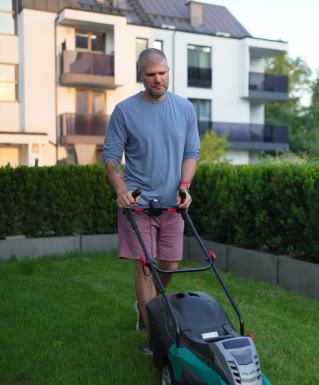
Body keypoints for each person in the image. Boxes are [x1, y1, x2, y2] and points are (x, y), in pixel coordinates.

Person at [103, 48, 200, 355]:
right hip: (138, 204)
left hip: (172, 203)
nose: (159, 79)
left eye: (163, 73)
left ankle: (148, 307)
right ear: (140, 76)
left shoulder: (185, 108)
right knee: (146, 267)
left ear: (169, 71)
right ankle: (154, 336)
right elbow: (110, 157)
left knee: (170, 264)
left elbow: (191, 153)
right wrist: (120, 188)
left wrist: (184, 186)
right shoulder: (124, 111)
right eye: (151, 74)